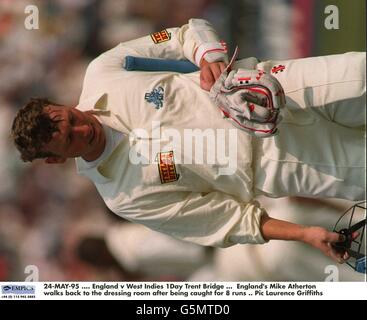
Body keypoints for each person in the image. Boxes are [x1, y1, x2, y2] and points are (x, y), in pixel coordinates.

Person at [11, 19, 365, 265]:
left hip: (274, 88)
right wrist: (303, 234)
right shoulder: (123, 197)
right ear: (56, 161)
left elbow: (181, 35)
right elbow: (224, 222)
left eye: (71, 118)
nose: (83, 129)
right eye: (70, 140)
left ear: (58, 105)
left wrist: (208, 57)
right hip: (279, 163)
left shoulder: (103, 71)